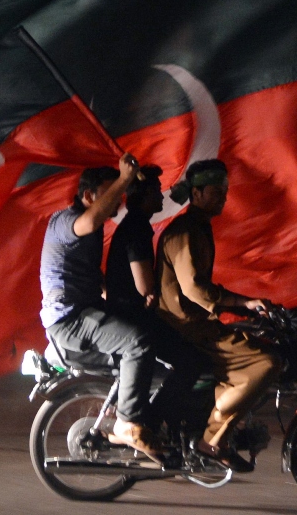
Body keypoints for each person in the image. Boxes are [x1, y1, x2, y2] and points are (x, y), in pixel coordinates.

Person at [156, 159, 279, 472]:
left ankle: (219, 425)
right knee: (265, 362)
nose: (223, 196)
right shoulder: (185, 232)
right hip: (187, 327)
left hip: (197, 323)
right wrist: (242, 303)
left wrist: (242, 306)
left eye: (224, 190)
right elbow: (195, 289)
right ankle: (214, 439)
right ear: (196, 193)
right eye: (216, 191)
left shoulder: (197, 228)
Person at [39, 154, 162, 462]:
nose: (116, 202)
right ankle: (126, 423)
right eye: (110, 195)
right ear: (89, 195)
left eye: (119, 196)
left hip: (86, 311)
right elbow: (92, 219)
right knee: (137, 341)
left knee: (146, 335)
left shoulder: (90, 231)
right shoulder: (67, 222)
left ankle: (137, 416)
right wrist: (124, 178)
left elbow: (92, 274)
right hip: (70, 319)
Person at [104, 164, 211, 434]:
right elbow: (144, 286)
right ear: (143, 195)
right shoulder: (137, 228)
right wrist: (152, 293)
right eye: (156, 192)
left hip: (131, 312)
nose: (162, 198)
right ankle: (154, 419)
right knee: (191, 360)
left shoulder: (135, 225)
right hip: (133, 316)